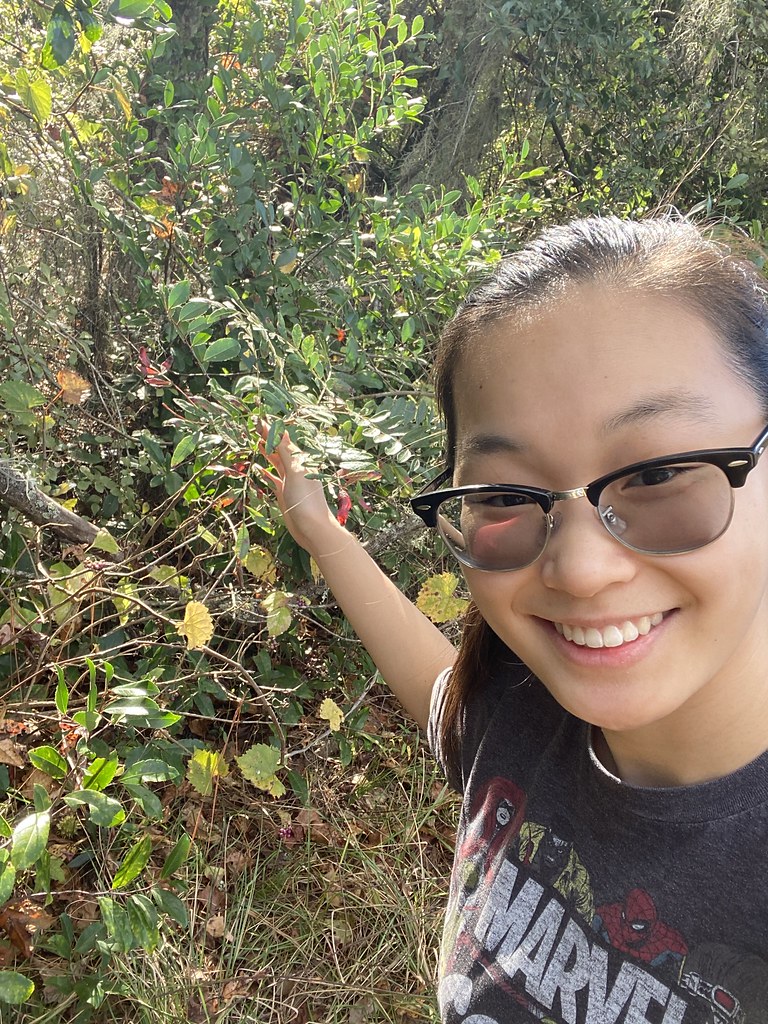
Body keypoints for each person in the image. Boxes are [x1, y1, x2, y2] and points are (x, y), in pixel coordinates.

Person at [261, 216, 768, 1023]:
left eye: (660, 472)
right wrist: (320, 532)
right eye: (503, 493)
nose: (578, 567)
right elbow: (442, 697)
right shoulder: (522, 724)